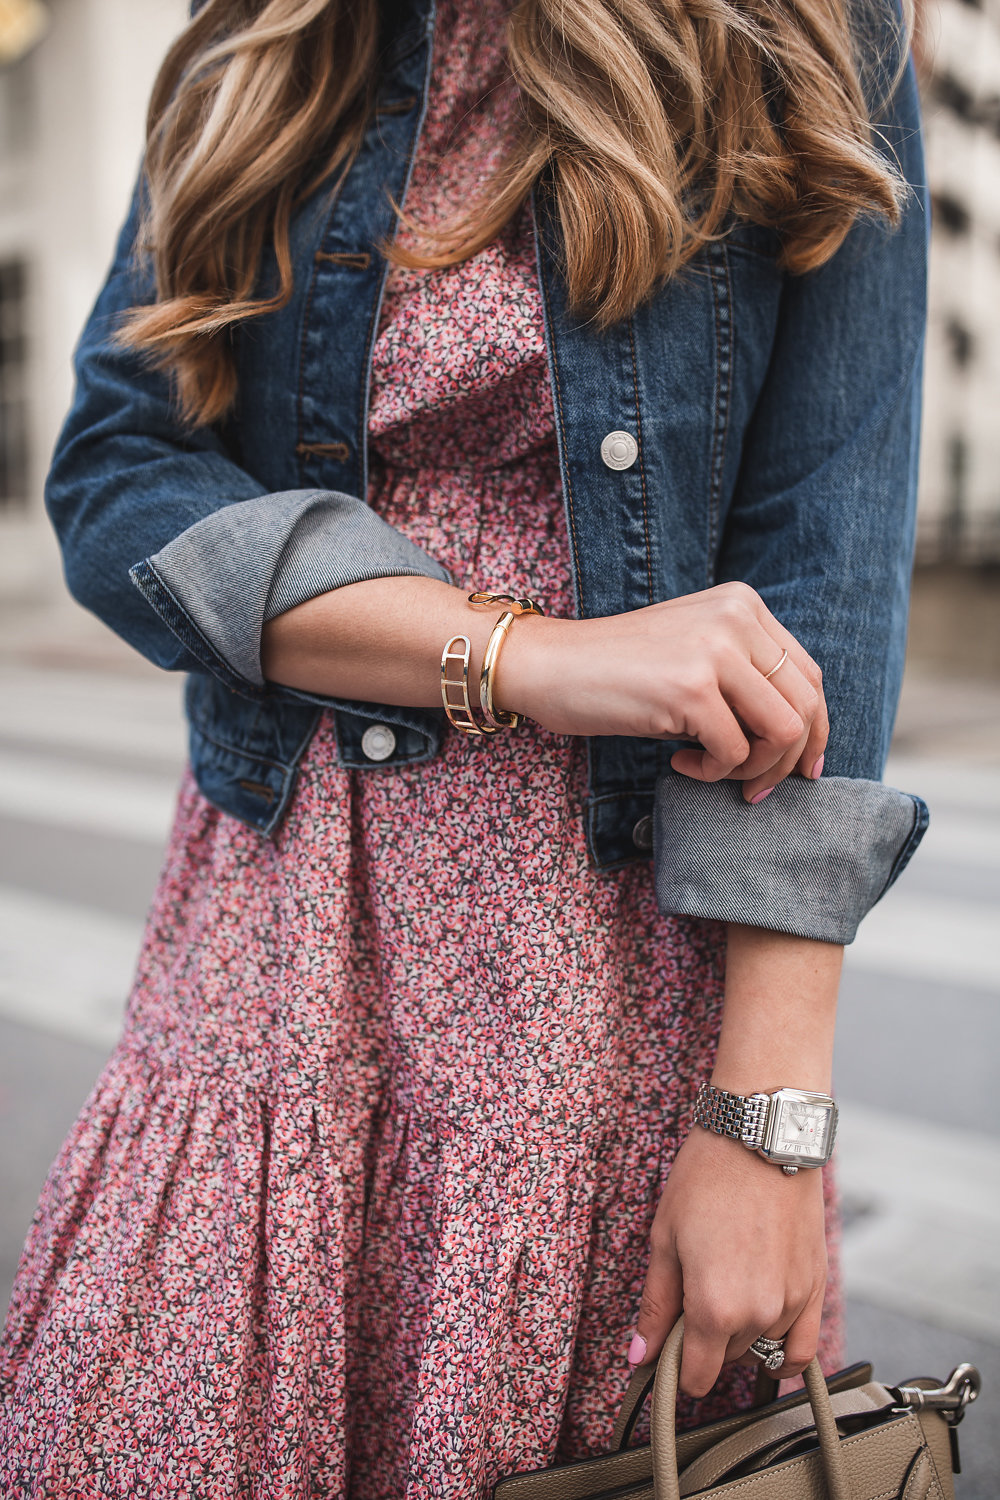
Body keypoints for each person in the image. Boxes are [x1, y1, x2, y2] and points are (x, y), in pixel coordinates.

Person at [0, 0, 928, 1494]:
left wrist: (768, 1124)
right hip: (280, 942)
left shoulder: (805, 28)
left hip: (600, 983)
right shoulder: (272, 30)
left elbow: (824, 570)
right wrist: (527, 658)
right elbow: (118, 467)